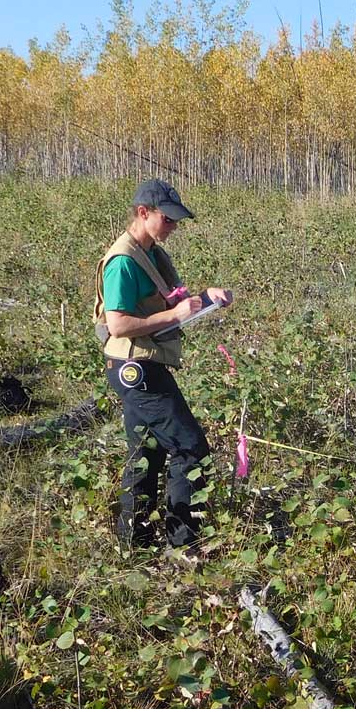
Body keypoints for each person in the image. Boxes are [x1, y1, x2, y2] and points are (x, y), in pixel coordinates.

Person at [94, 179, 232, 552]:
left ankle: (133, 545)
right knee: (191, 449)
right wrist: (175, 314)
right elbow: (119, 324)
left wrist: (206, 298)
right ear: (143, 213)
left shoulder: (151, 253)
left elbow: (167, 308)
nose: (173, 226)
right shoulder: (123, 262)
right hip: (135, 368)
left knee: (146, 453)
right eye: (167, 219)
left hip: (144, 364)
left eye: (176, 220)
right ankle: (184, 545)